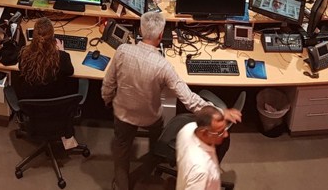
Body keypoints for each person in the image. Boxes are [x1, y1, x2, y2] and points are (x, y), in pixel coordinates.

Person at [102, 11, 242, 190]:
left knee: (121, 151)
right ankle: (153, 163)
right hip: (150, 116)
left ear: (140, 31)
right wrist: (219, 112)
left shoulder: (122, 51)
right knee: (156, 134)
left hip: (123, 114)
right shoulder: (163, 65)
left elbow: (108, 83)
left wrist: (107, 100)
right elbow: (190, 99)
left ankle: (121, 186)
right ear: (161, 36)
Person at [14, 18, 77, 100]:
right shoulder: (61, 57)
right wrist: (62, 51)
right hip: (56, 102)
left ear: (34, 35)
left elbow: (20, 68)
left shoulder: (24, 54)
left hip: (30, 103)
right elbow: (70, 72)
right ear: (52, 37)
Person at [175, 106, 229, 190]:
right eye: (220, 132)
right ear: (203, 132)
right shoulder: (201, 171)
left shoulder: (187, 128)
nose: (226, 135)